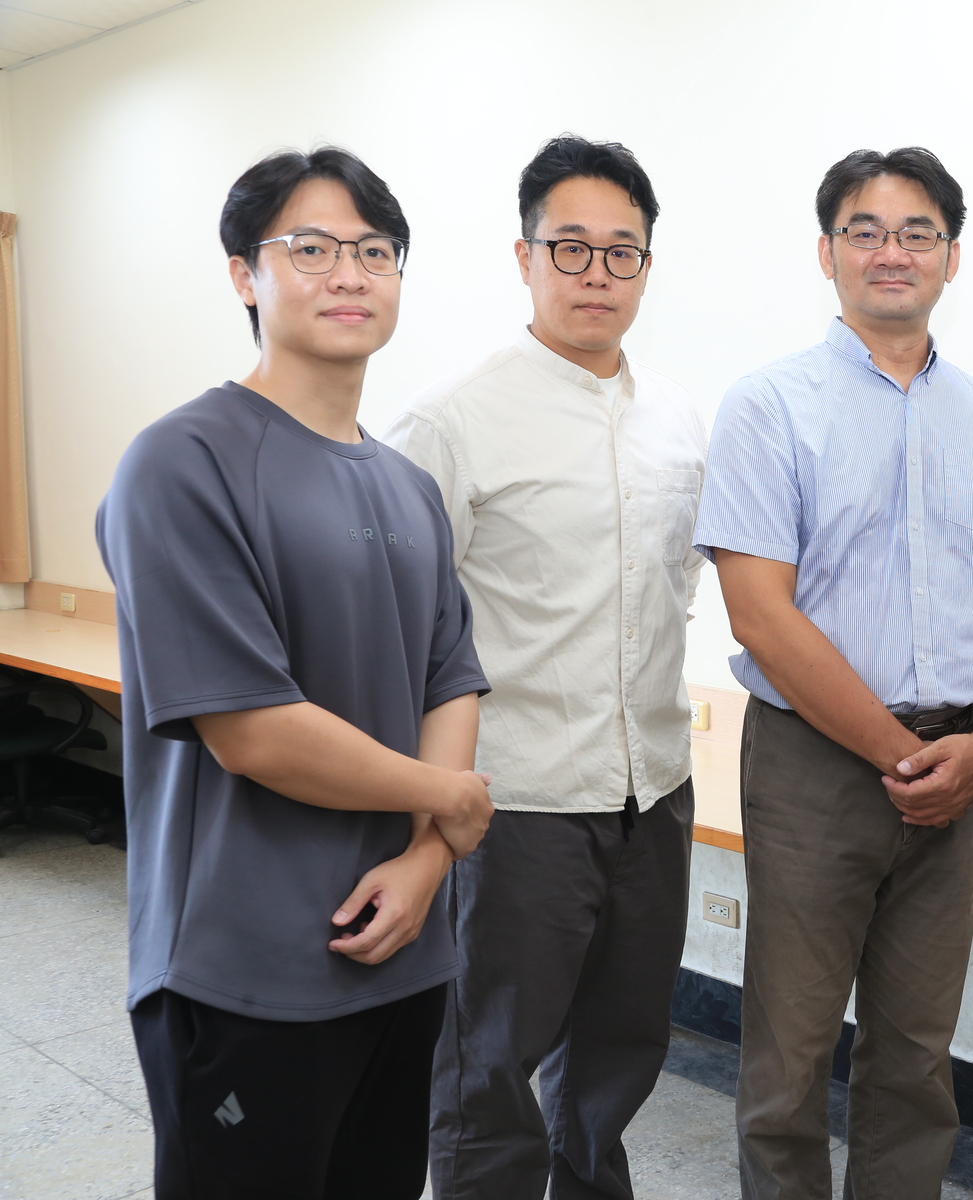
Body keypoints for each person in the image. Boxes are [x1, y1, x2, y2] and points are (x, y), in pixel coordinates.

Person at [96, 147, 493, 1199]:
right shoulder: (183, 461)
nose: (349, 273)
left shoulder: (408, 484)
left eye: (375, 250)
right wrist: (449, 800)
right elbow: (253, 728)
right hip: (246, 963)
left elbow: (451, 680)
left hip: (403, 943)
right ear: (244, 274)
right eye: (309, 248)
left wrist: (425, 862)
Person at [693, 146, 973, 1200]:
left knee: (917, 1054)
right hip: (817, 762)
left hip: (959, 759)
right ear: (826, 251)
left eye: (917, 233)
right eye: (865, 230)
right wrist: (908, 758)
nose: (891, 252)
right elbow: (762, 613)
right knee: (789, 1061)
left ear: (950, 257)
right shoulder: (769, 407)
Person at [384, 135, 706, 1200]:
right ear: (522, 257)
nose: (597, 275)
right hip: (513, 801)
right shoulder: (452, 421)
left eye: (623, 253)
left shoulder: (677, 424)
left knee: (620, 1057)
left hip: (650, 791)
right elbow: (402, 632)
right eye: (571, 249)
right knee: (492, 1069)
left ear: (648, 271)